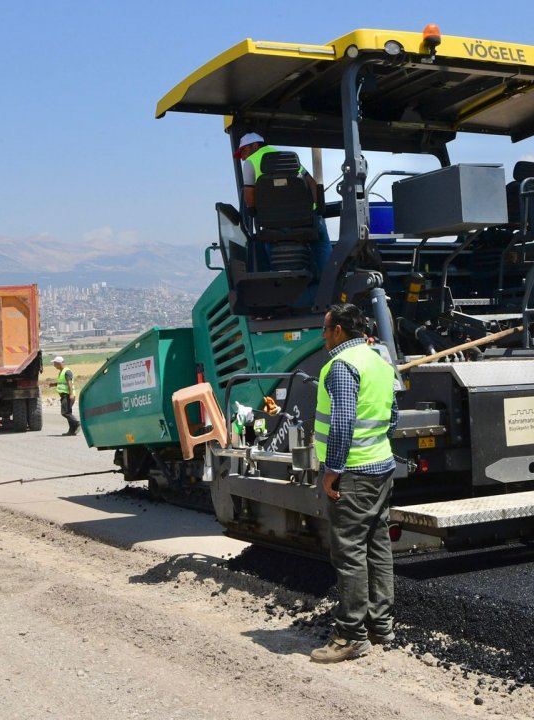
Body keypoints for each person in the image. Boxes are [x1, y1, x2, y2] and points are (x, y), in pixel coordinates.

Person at [309, 303, 399, 664]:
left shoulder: (342, 365)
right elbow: (392, 416)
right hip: (381, 467)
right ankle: (382, 626)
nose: (323, 335)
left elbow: (343, 423)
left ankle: (350, 635)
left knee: (349, 553)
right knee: (378, 546)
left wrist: (333, 469)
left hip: (354, 474)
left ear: (340, 332)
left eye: (326, 329)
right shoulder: (379, 360)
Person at [233, 131, 331, 276]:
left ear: (254, 146)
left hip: (272, 227)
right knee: (322, 243)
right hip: (306, 222)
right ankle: (330, 281)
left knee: (265, 242)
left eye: (243, 151)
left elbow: (249, 194)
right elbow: (311, 182)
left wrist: (253, 211)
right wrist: (318, 211)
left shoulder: (251, 162)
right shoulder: (288, 159)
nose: (242, 157)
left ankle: (273, 281)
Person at [49, 356, 80, 436]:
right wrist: (54, 384)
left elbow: (69, 383)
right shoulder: (62, 371)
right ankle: (71, 431)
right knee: (68, 412)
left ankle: (77, 423)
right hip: (64, 395)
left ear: (59, 363)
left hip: (68, 395)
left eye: (55, 363)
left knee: (65, 412)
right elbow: (63, 383)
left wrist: (71, 394)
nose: (54, 365)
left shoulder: (67, 372)